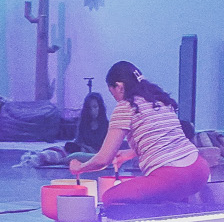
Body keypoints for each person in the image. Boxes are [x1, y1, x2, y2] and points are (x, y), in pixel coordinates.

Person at [67, 61, 207, 206]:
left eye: (112, 93)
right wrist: (129, 153)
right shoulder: (159, 100)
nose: (115, 98)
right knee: (159, 194)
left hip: (172, 176)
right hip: (199, 170)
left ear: (119, 86)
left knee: (110, 197)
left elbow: (103, 159)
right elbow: (161, 138)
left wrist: (80, 167)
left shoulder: (126, 106)